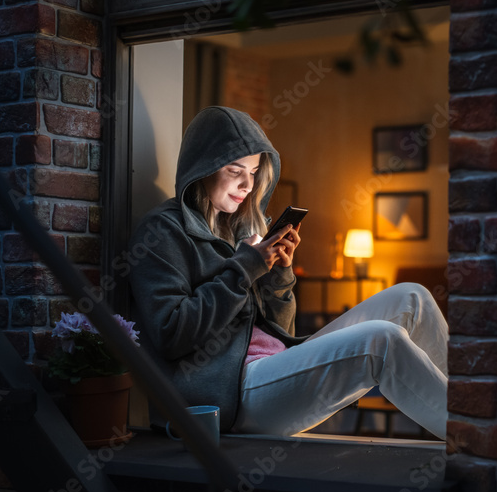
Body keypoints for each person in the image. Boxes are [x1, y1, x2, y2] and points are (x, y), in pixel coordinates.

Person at [128, 106, 449, 439]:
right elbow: (171, 334)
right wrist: (244, 268)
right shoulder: (162, 232)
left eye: (253, 172)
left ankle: (476, 411)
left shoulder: (236, 229)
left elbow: (281, 330)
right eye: (234, 169)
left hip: (273, 370)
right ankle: (478, 446)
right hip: (230, 396)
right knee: (383, 339)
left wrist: (279, 274)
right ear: (202, 169)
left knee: (413, 297)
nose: (247, 184)